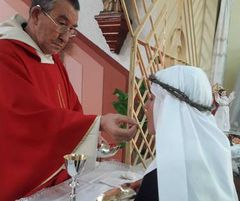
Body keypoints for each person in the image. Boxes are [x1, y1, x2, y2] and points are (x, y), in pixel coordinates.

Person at [0, 0, 137, 200]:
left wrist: (91, 135)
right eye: (62, 24)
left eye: (72, 29)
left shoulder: (52, 59)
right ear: (37, 15)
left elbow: (72, 108)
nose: (65, 37)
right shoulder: (6, 55)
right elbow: (29, 121)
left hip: (59, 177)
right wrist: (98, 123)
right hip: (22, 177)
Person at [134, 65, 238, 201]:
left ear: (171, 107)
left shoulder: (163, 181)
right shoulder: (216, 153)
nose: (146, 105)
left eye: (152, 99)